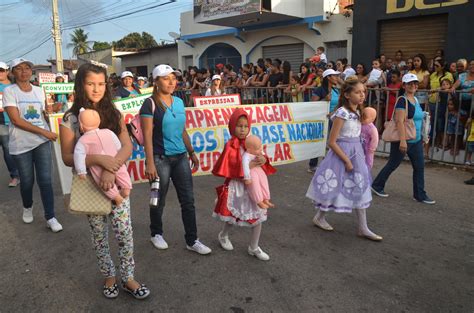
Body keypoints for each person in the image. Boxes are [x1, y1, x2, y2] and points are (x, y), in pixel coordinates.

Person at [60, 63, 150, 299]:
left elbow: (127, 145)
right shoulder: (70, 118)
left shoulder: (114, 113)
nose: (96, 89)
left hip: (118, 183)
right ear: (81, 85)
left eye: (101, 84)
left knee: (124, 232)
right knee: (99, 235)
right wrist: (98, 159)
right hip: (90, 187)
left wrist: (111, 168)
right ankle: (109, 275)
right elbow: (68, 157)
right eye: (90, 83)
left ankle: (128, 277)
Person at [141, 64, 211, 255]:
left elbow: (182, 130)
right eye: (166, 78)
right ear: (156, 82)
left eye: (173, 77)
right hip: (159, 158)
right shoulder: (150, 103)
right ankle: (156, 233)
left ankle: (192, 239)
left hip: (180, 158)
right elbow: (147, 135)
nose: (171, 82)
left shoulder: (179, 102)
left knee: (188, 200)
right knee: (158, 198)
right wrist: (149, 162)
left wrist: (192, 152)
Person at [306, 79, 382, 241]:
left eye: (363, 92)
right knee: (334, 186)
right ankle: (319, 217)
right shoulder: (342, 113)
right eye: (357, 92)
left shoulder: (359, 112)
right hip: (341, 154)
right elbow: (332, 142)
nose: (362, 95)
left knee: (359, 187)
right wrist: (346, 160)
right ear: (347, 95)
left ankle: (363, 227)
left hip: (357, 154)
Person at [3, 58, 62, 231]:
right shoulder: (9, 91)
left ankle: (50, 216)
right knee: (27, 181)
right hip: (21, 143)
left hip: (41, 142)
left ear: (31, 71)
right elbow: (16, 120)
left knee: (45, 180)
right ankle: (27, 206)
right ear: (13, 72)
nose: (24, 71)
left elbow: (43, 115)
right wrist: (45, 132)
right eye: (19, 69)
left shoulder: (39, 91)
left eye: (27, 68)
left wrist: (52, 111)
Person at [212, 108, 276, 260]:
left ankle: (254, 247)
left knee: (258, 215)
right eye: (239, 125)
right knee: (232, 216)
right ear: (233, 126)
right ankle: (223, 235)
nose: (242, 129)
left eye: (245, 126)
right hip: (238, 186)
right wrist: (251, 167)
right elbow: (230, 167)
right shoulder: (230, 145)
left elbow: (261, 153)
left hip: (253, 186)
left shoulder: (252, 140)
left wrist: (264, 159)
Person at [371, 73, 436, 205]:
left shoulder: (416, 100)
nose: (413, 86)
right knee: (393, 164)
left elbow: (417, 118)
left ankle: (419, 195)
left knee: (419, 167)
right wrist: (402, 141)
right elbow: (400, 122)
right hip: (404, 139)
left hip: (416, 139)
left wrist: (423, 135)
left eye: (415, 83)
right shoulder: (402, 100)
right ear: (404, 85)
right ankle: (377, 185)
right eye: (410, 83)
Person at [74, 108, 132, 206]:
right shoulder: (108, 132)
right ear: (99, 121)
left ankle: (116, 197)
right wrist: (117, 156)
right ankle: (126, 189)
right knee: (122, 173)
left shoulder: (82, 140)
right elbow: (118, 145)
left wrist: (81, 171)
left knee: (102, 182)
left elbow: (78, 156)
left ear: (81, 126)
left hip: (100, 167)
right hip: (116, 162)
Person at [0, 61, 20, 187]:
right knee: (7, 149)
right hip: (1, 122)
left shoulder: (14, 87)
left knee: (11, 150)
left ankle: (17, 174)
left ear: (7, 71)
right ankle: (15, 175)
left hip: (14, 121)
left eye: (1, 70)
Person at [450, 59, 474, 129]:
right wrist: (453, 87)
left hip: (472, 102)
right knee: (453, 93)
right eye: (471, 64)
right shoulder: (463, 75)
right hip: (462, 101)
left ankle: (470, 118)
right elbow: (456, 84)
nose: (472, 66)